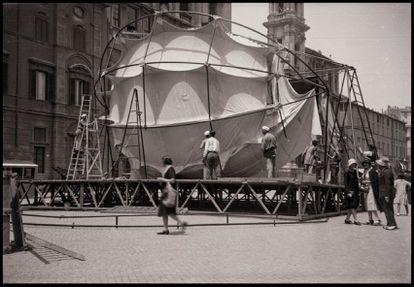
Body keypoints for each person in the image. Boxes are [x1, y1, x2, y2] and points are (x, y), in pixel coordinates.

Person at [157, 156, 187, 235]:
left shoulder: (170, 169)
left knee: (167, 211)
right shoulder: (168, 169)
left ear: (164, 162)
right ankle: (166, 228)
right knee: (166, 212)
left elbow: (173, 180)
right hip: (166, 193)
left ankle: (180, 223)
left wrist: (162, 179)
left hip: (168, 193)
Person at [376, 157, 398, 230]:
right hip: (385, 192)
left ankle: (392, 224)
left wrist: (387, 195)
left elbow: (388, 184)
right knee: (387, 208)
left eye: (379, 164)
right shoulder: (386, 171)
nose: (378, 166)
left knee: (388, 209)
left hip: (386, 193)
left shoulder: (386, 172)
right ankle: (390, 223)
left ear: (381, 165)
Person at [360, 157, 382, 225]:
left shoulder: (372, 171)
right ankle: (370, 219)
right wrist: (362, 181)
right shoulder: (365, 171)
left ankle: (377, 219)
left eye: (366, 163)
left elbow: (375, 181)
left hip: (371, 188)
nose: (365, 165)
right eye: (364, 164)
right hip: (366, 188)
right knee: (367, 204)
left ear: (369, 164)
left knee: (371, 203)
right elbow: (363, 179)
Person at [343, 158, 361, 225]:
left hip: (355, 190)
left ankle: (347, 219)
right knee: (353, 206)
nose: (354, 165)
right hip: (350, 191)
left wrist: (359, 180)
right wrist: (348, 192)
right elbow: (345, 183)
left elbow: (358, 181)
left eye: (354, 164)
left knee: (352, 206)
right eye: (353, 164)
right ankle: (356, 220)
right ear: (350, 165)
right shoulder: (347, 173)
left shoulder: (356, 173)